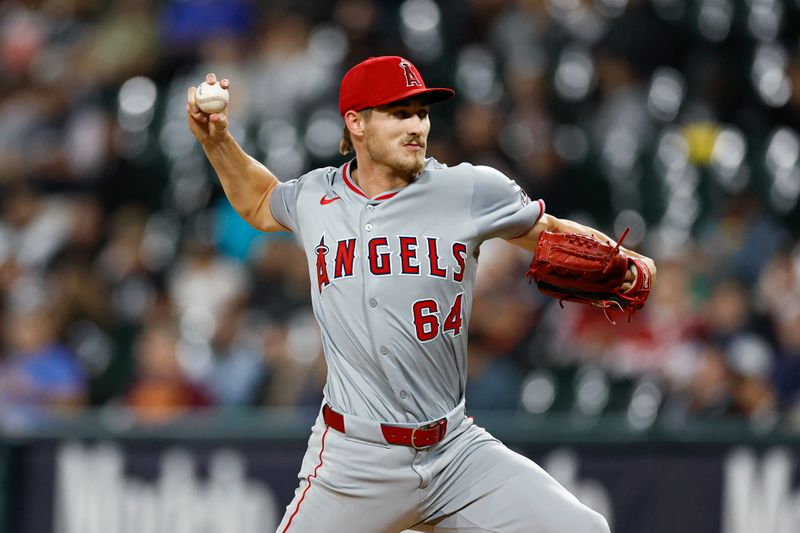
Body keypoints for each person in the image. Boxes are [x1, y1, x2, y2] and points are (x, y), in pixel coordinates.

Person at [187, 55, 655, 533]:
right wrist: (218, 141)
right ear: (357, 123)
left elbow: (549, 231)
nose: (416, 126)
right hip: (355, 462)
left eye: (422, 113)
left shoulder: (469, 189)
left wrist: (626, 259)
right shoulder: (316, 198)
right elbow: (263, 200)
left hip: (454, 452)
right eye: (399, 113)